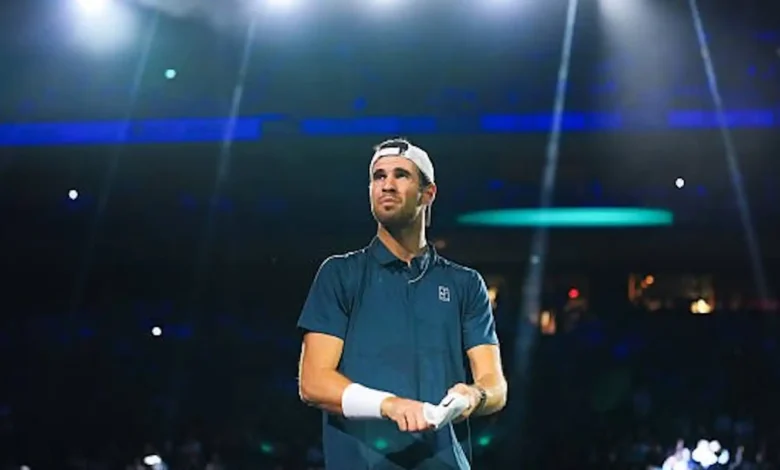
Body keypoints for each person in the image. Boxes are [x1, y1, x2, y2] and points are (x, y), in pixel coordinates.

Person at [297, 138, 507, 469]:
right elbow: (313, 383)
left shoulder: (465, 284)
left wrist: (472, 396)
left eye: (401, 175)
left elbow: (495, 386)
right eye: (378, 176)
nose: (387, 185)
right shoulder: (339, 274)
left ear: (428, 193)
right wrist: (390, 405)